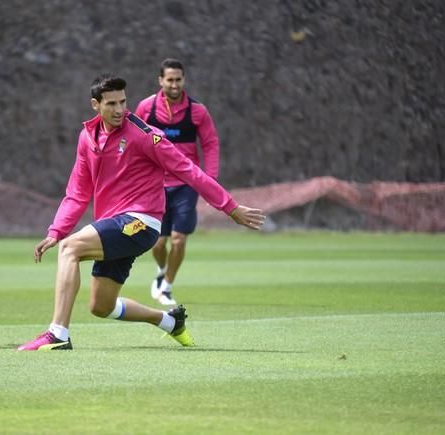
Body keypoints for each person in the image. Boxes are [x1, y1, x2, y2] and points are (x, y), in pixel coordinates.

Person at [16, 74, 264, 351]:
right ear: (95, 105)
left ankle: (58, 334)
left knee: (70, 248)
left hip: (140, 222)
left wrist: (230, 207)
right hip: (113, 224)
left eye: (123, 101)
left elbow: (189, 170)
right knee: (101, 306)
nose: (120, 109)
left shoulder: (146, 136)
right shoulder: (87, 137)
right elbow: (78, 191)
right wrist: (56, 230)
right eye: (111, 104)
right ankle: (169, 322)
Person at [135, 58, 220, 305]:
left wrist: (209, 180)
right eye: (169, 80)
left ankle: (168, 286)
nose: (174, 84)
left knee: (179, 239)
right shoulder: (146, 109)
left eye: (178, 79)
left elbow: (210, 144)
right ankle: (161, 272)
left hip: (186, 184)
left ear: (184, 80)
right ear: (160, 80)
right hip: (154, 185)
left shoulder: (198, 111)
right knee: (157, 242)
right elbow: (134, 140)